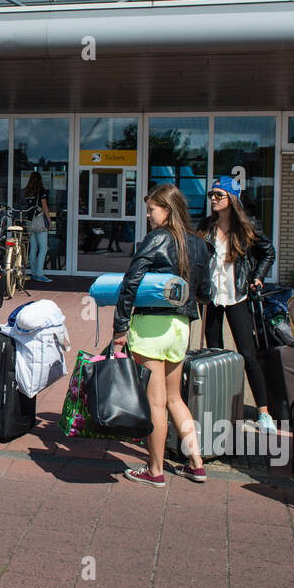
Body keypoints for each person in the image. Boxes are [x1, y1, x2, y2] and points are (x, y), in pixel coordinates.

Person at [112, 184, 212, 487]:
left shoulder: (156, 239)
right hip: (180, 329)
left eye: (152, 209)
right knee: (174, 398)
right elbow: (205, 293)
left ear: (166, 210)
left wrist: (120, 326)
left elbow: (131, 283)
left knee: (154, 403)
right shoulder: (198, 243)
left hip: (151, 328)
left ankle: (154, 470)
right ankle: (196, 463)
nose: (147, 214)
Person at [198, 176, 279, 433]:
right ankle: (217, 406)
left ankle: (264, 412)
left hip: (237, 296)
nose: (213, 199)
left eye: (218, 195)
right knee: (213, 353)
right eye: (211, 194)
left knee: (248, 354)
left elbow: (269, 252)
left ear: (232, 199)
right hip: (212, 298)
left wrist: (258, 276)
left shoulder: (247, 226)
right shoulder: (207, 225)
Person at [24, 171, 53, 283]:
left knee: (33, 248)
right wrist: (49, 221)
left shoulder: (27, 191)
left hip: (29, 222)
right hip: (39, 222)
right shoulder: (41, 192)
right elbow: (44, 207)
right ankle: (40, 273)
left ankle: (34, 272)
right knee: (43, 248)